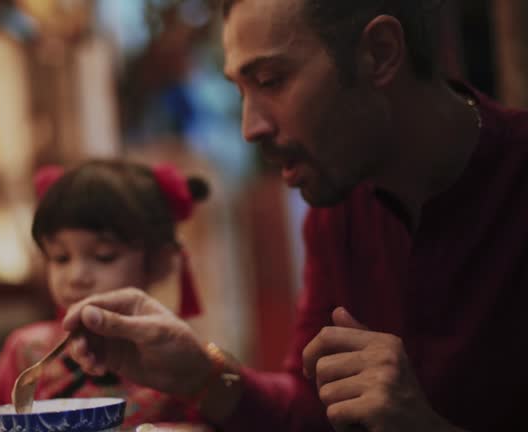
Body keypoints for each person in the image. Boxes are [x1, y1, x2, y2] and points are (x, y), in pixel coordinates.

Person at [60, 0, 528, 431]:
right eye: (240, 90)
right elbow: (309, 412)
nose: (249, 128)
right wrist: (199, 372)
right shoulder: (340, 201)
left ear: (381, 53)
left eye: (270, 81)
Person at [0, 160, 212, 432]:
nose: (76, 276)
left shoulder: (175, 359)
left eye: (104, 256)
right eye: (60, 257)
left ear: (160, 261)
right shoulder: (27, 351)